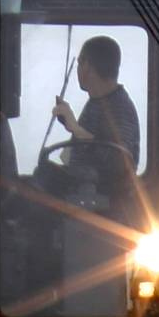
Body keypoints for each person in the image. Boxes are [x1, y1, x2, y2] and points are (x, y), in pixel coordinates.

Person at [50, 35, 141, 220]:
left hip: (106, 211)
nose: (77, 70)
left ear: (88, 66)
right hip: (83, 199)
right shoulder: (96, 103)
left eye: (80, 63)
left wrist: (76, 128)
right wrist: (71, 127)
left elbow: (120, 163)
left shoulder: (120, 107)